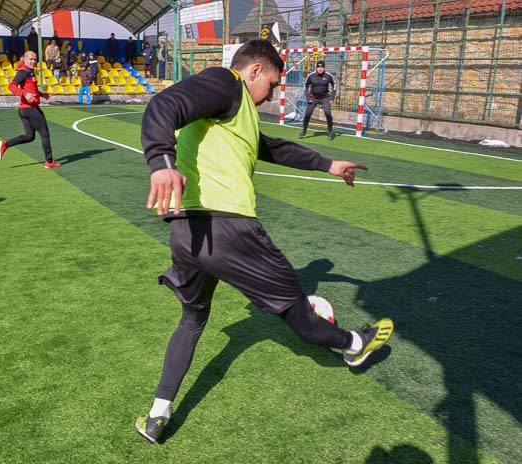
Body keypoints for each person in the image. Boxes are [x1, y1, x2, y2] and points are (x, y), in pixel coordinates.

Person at [134, 39, 394, 444]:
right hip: (229, 230)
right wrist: (162, 163)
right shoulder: (226, 82)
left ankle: (157, 415)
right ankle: (354, 343)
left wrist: (327, 163)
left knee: (192, 320)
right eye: (271, 84)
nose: (271, 94)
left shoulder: (233, 115)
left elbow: (269, 147)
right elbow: (162, 106)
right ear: (253, 71)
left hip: (185, 232)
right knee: (301, 315)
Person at [0, 51, 60, 169]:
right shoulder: (23, 72)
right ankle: (49, 161)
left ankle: (6, 144)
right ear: (24, 60)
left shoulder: (30, 72)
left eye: (35, 59)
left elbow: (32, 89)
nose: (33, 61)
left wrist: (42, 94)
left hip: (24, 110)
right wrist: (24, 94)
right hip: (30, 109)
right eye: (30, 59)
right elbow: (11, 86)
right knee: (44, 133)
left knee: (29, 136)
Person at [299, 60, 337, 140]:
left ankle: (330, 132)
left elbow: (334, 86)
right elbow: (305, 86)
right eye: (318, 67)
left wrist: (332, 97)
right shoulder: (311, 75)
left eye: (322, 67)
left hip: (325, 98)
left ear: (324, 68)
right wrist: (308, 98)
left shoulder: (328, 75)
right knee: (307, 114)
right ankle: (304, 130)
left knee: (328, 114)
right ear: (316, 68)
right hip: (313, 98)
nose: (320, 69)